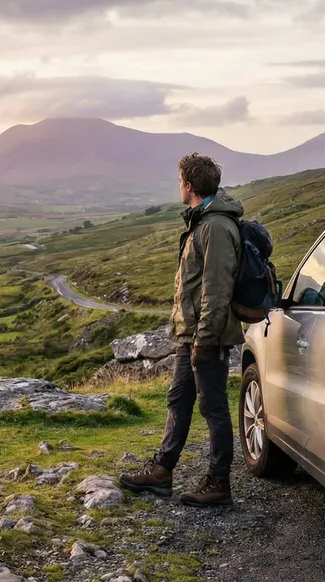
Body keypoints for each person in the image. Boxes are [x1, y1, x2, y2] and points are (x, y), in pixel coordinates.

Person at [118, 152, 244, 506]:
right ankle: (162, 470)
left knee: (214, 408)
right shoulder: (202, 222)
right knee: (179, 399)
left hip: (206, 337)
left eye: (179, 182)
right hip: (191, 336)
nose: (178, 187)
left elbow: (216, 289)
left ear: (189, 185)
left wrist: (204, 339)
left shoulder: (216, 227)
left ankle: (219, 483)